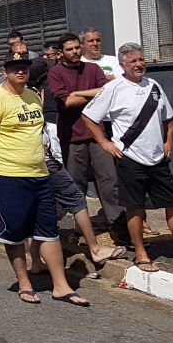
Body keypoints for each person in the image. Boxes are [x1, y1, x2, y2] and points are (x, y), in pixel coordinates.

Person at [0, 52, 90, 306]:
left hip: (39, 173)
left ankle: (61, 286)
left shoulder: (33, 96)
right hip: (7, 176)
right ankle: (24, 283)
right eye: (14, 67)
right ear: (5, 71)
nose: (20, 71)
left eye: (24, 67)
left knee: (48, 231)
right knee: (14, 233)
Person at [82, 43, 173, 274]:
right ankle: (140, 253)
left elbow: (169, 118)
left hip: (157, 158)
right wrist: (104, 142)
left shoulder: (154, 86)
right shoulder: (113, 88)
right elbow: (89, 116)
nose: (139, 64)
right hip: (130, 158)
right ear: (122, 65)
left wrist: (168, 142)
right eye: (133, 61)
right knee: (135, 208)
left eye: (141, 60)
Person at [47, 32, 123, 235]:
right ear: (61, 52)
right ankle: (82, 230)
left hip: (98, 135)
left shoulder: (92, 68)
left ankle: (119, 228)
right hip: (72, 136)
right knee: (76, 185)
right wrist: (93, 93)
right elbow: (67, 102)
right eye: (69, 49)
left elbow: (107, 91)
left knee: (110, 182)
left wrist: (79, 93)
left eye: (76, 48)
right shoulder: (55, 73)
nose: (74, 52)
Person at [28, 127, 124, 275]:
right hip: (38, 159)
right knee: (75, 199)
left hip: (27, 160)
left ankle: (36, 262)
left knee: (37, 206)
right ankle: (95, 250)